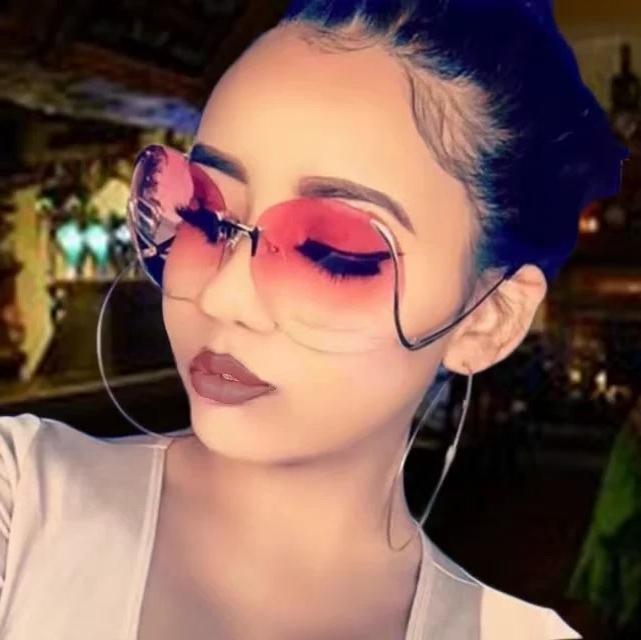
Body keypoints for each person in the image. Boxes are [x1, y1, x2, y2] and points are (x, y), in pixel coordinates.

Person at [0, 1, 626, 638]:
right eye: (202, 216)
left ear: (488, 318)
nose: (223, 297)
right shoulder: (20, 505)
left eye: (330, 253)